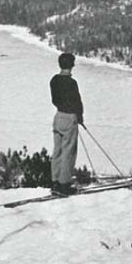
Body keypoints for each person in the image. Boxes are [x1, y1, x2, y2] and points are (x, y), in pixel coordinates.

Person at [49, 52, 84, 196]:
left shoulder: (54, 80)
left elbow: (54, 100)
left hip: (58, 116)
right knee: (68, 152)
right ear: (71, 65)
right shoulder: (72, 83)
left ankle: (55, 182)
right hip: (70, 118)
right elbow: (77, 102)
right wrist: (80, 117)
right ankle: (64, 185)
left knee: (57, 150)